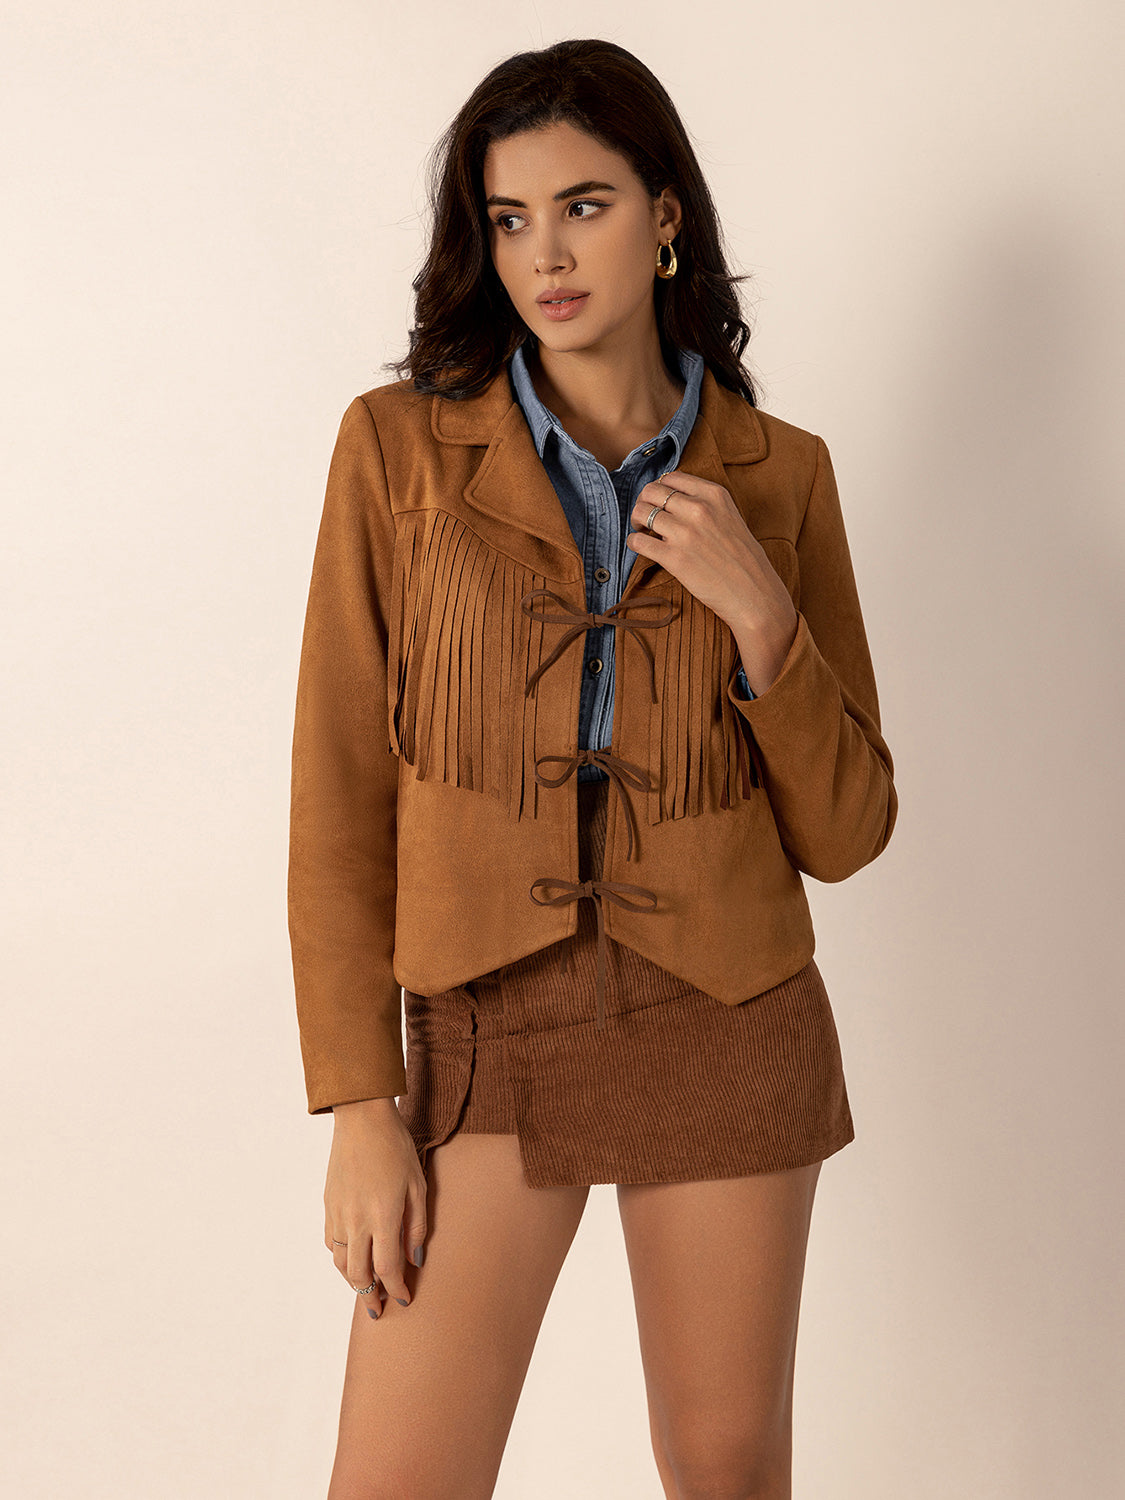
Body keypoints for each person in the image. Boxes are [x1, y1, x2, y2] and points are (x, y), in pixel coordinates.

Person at [287, 36, 898, 1500]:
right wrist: (359, 1104)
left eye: (584, 205)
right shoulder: (398, 454)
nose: (545, 256)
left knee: (726, 1469)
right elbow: (338, 796)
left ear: (664, 213)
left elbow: (849, 828)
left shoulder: (781, 475)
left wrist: (763, 619)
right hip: (486, 1025)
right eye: (509, 219)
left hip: (728, 1014)